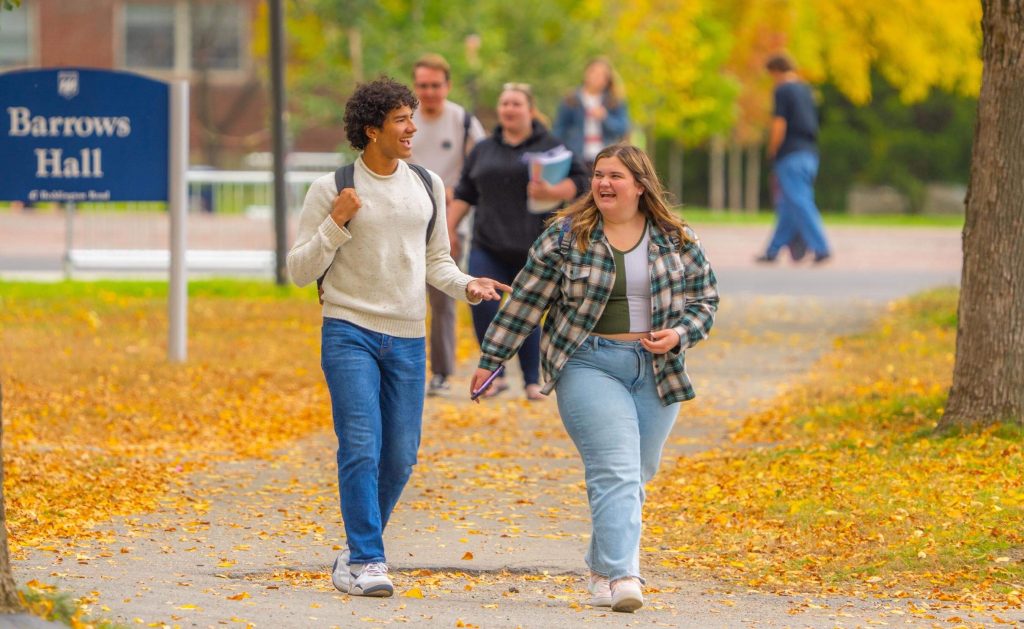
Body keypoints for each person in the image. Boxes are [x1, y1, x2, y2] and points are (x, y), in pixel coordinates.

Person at [470, 144, 718, 612]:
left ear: (640, 186)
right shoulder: (567, 236)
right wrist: (492, 359)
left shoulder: (676, 237)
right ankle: (625, 575)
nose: (603, 183)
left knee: (637, 475)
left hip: (657, 368)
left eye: (616, 176)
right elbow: (525, 301)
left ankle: (602, 563)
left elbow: (705, 301)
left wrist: (680, 334)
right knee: (616, 471)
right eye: (599, 175)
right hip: (587, 361)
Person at [286, 77, 509, 598]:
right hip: (349, 331)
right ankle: (368, 558)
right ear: (372, 129)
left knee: (401, 456)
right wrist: (336, 224)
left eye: (413, 117)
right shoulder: (331, 189)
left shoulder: (428, 184)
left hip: (407, 336)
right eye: (402, 120)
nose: (413, 128)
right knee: (361, 445)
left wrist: (468, 286)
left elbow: (437, 262)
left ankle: (356, 550)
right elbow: (298, 270)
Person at [449, 83, 589, 400]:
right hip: (488, 244)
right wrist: (447, 232)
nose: (509, 109)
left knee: (528, 309)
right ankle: (494, 375)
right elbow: (464, 194)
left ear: (530, 109)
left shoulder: (552, 146)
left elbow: (583, 183)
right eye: (504, 104)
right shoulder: (483, 149)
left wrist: (555, 192)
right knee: (484, 306)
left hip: (536, 249)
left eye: (516, 104)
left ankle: (531, 378)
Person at [409, 53, 487, 398]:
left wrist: (454, 221)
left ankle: (441, 371)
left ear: (447, 86)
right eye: (423, 85)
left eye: (435, 85)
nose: (429, 92)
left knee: (443, 296)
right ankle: (405, 367)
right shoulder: (403, 118)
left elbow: (480, 172)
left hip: (449, 218)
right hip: (405, 215)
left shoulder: (464, 122)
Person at [757, 53, 831, 264]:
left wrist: (772, 149)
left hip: (790, 154)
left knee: (799, 201)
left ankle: (821, 247)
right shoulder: (806, 90)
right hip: (809, 153)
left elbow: (780, 123)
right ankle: (772, 251)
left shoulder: (783, 90)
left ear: (776, 71)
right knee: (789, 205)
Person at [553, 57, 630, 168]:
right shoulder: (571, 98)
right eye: (593, 72)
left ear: (607, 80)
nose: (597, 77)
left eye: (602, 75)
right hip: (576, 157)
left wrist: (605, 118)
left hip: (606, 156)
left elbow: (622, 128)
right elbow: (560, 129)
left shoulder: (614, 100)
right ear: (586, 73)